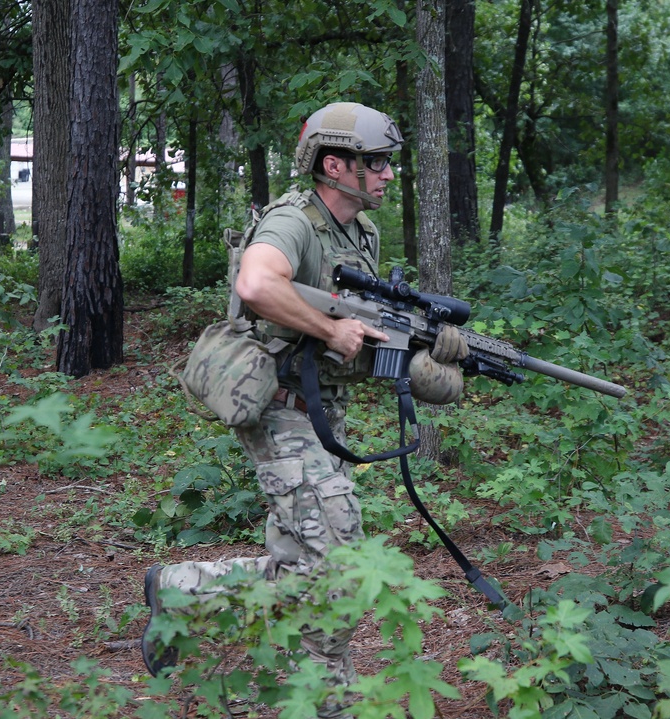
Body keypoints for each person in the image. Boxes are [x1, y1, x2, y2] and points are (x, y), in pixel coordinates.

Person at [140, 102, 465, 718]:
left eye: (388, 163)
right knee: (338, 562)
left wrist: (427, 355)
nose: (388, 175)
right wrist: (329, 328)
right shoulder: (292, 221)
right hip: (279, 407)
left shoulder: (361, 234)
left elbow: (359, 333)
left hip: (322, 412)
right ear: (334, 163)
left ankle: (184, 592)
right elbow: (259, 286)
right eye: (376, 163)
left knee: (303, 563)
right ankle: (319, 701)